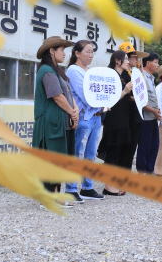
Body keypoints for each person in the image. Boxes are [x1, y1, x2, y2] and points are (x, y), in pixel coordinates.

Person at [32, 36, 79, 206]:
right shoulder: (47, 71)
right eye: (62, 50)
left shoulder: (58, 71)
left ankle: (55, 194)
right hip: (51, 123)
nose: (65, 53)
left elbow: (68, 93)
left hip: (61, 122)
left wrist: (75, 111)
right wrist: (73, 114)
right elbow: (58, 97)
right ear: (52, 51)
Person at [65, 40, 105, 202]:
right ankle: (71, 188)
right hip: (83, 116)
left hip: (95, 116)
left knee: (89, 154)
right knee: (77, 153)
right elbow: (86, 95)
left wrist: (103, 103)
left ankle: (87, 187)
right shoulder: (74, 71)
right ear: (77, 53)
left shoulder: (90, 71)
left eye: (92, 52)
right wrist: (102, 103)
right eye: (88, 52)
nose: (91, 55)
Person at [97, 50, 134, 195]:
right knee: (112, 150)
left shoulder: (123, 75)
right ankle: (108, 186)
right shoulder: (110, 76)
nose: (127, 61)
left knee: (119, 149)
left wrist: (129, 95)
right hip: (113, 118)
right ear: (117, 61)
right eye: (125, 59)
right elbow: (109, 101)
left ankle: (113, 183)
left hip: (123, 116)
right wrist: (124, 92)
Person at [118, 41, 149, 170]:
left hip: (136, 115)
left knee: (132, 148)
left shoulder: (135, 73)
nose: (136, 60)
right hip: (126, 116)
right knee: (124, 147)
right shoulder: (122, 74)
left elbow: (144, 92)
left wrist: (141, 73)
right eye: (133, 57)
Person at [135, 52, 162, 173]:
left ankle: (149, 170)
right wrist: (154, 111)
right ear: (148, 63)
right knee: (144, 146)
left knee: (154, 145)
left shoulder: (151, 77)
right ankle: (142, 171)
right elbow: (142, 99)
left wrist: (156, 111)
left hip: (153, 117)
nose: (158, 65)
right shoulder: (142, 76)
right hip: (145, 117)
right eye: (156, 62)